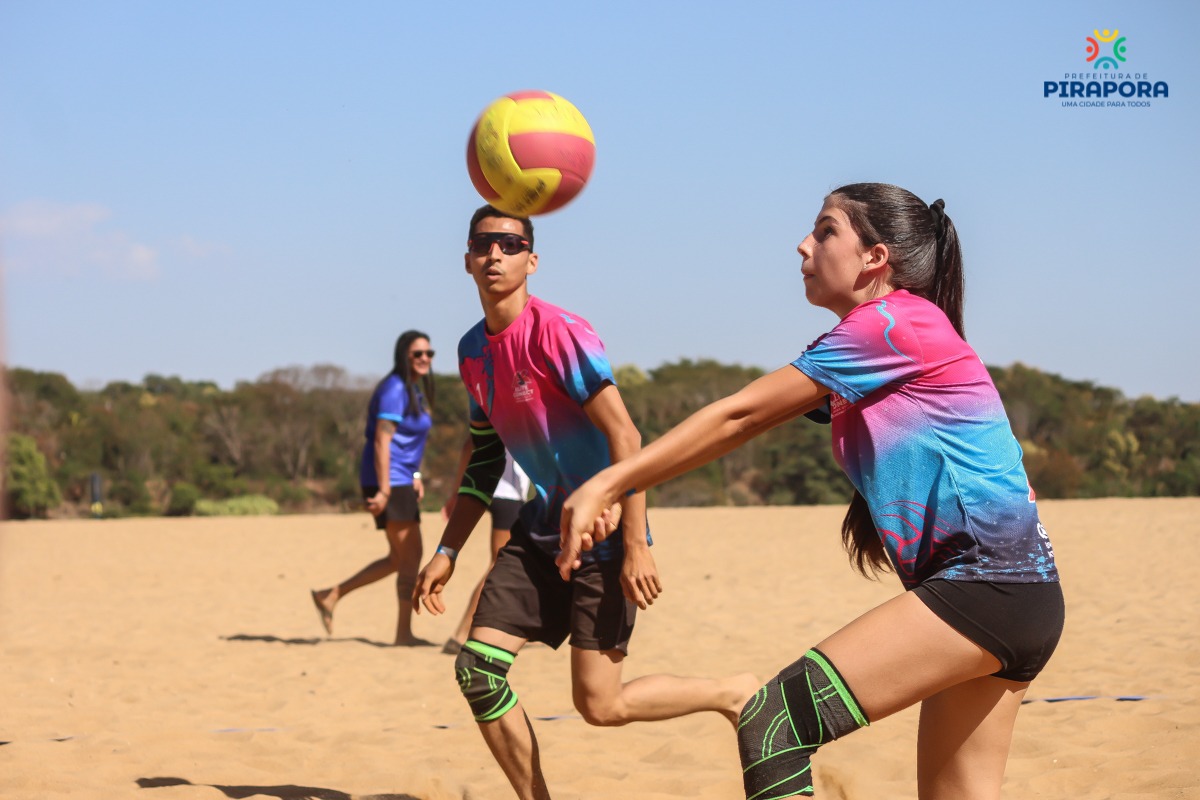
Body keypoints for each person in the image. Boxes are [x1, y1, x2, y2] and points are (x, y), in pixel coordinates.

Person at [558, 183, 1064, 799]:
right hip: (1018, 596)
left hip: (985, 588)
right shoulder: (886, 339)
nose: (803, 244)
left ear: (875, 257)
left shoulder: (892, 322)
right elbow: (749, 421)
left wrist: (611, 481)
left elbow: (739, 417)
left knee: (772, 723)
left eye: (826, 231)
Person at [413, 205, 758, 800]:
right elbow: (486, 457)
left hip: (604, 534)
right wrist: (447, 550)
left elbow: (626, 436)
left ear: (532, 260)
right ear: (466, 260)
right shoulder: (471, 352)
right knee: (477, 670)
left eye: (510, 244)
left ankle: (733, 693)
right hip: (539, 532)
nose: (495, 254)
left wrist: (635, 543)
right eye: (483, 244)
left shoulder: (560, 331)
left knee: (601, 705)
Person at [311, 329, 435, 646]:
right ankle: (403, 634)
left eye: (429, 353)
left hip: (401, 478)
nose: (424, 359)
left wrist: (416, 475)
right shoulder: (395, 389)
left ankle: (330, 595)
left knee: (398, 558)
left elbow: (410, 443)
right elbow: (382, 441)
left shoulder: (413, 390)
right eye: (417, 353)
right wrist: (384, 491)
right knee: (411, 557)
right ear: (404, 356)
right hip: (389, 481)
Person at [440, 445, 531, 655]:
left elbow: (468, 445)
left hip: (490, 488)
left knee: (513, 562)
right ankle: (461, 633)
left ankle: (525, 629)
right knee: (499, 564)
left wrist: (457, 490)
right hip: (507, 494)